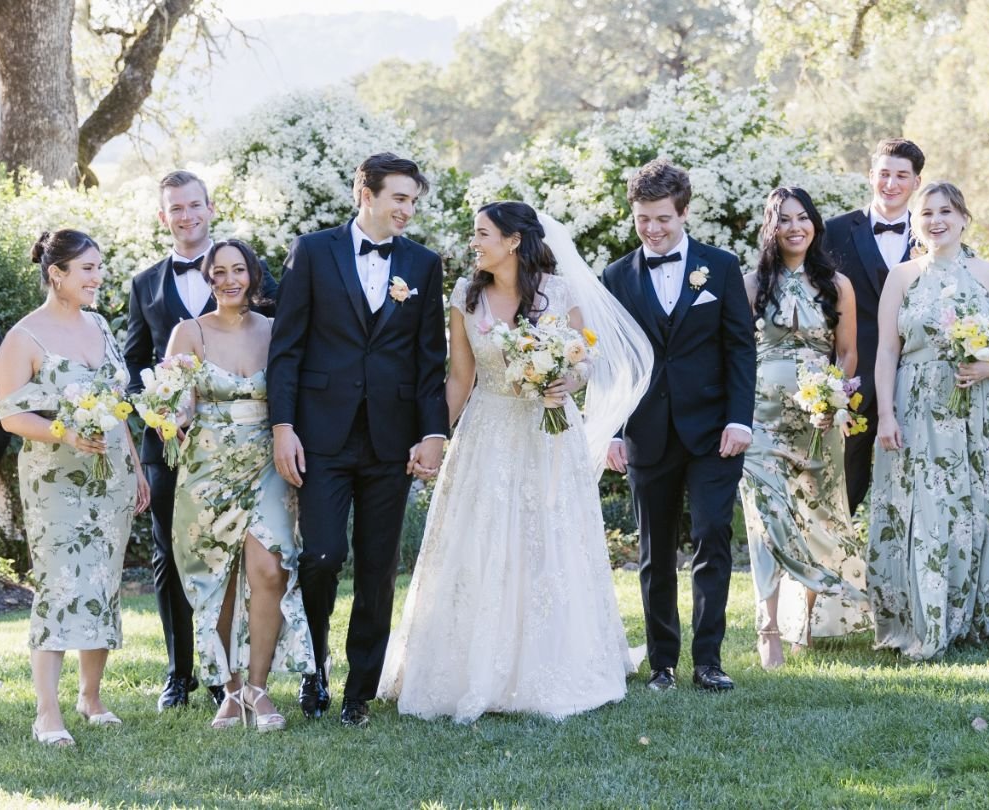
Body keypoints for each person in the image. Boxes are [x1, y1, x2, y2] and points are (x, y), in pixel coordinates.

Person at [381, 201, 649, 722]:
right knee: (480, 540)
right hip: (488, 431)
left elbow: (584, 361)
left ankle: (551, 666)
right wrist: (434, 436)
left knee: (548, 540)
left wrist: (564, 380)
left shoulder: (560, 292)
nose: (474, 242)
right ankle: (470, 667)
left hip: (550, 434)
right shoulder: (466, 294)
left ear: (513, 241)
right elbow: (460, 379)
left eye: (482, 233)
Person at [267, 152, 449, 727]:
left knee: (377, 567)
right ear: (365, 194)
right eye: (399, 198)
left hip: (391, 440)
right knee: (321, 557)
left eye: (413, 201)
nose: (407, 210)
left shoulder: (423, 264)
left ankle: (359, 693)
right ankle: (314, 668)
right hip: (320, 435)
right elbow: (286, 348)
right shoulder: (312, 251)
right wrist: (282, 427)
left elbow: (429, 360)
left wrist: (433, 432)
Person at [123, 171, 279, 710]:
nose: (186, 215)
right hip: (177, 446)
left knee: (259, 561)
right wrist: (164, 411)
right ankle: (181, 672)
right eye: (176, 208)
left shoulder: (251, 276)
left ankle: (238, 681)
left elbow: (284, 357)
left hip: (255, 447)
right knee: (176, 557)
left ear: (209, 209)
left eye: (194, 205)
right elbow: (136, 363)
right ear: (163, 217)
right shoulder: (145, 284)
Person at [602, 159, 755, 693]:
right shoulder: (615, 277)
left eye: (663, 218)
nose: (652, 229)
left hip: (714, 431)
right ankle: (662, 664)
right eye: (643, 219)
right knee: (655, 551)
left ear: (684, 212)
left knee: (712, 536)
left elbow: (740, 348)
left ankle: (708, 661)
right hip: (646, 432)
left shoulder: (722, 267)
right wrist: (612, 431)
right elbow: (614, 361)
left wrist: (739, 419)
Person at [0, 229, 149, 746]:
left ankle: (91, 697)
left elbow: (117, 406)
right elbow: (10, 415)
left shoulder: (100, 325)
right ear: (56, 274)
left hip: (113, 475)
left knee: (103, 581)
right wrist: (64, 432)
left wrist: (135, 465)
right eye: (87, 269)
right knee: (60, 584)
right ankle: (46, 712)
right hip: (56, 480)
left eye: (99, 267)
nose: (97, 277)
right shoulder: (24, 338)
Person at [867, 182, 989, 661]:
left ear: (963, 218)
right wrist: (885, 414)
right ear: (915, 223)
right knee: (925, 508)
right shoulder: (902, 277)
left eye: (945, 212)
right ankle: (925, 617)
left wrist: (988, 367)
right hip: (916, 407)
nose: (936, 221)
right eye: (926, 213)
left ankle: (981, 616)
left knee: (978, 506)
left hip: (978, 406)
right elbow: (887, 351)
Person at [158, 240, 313, 732]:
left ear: (253, 275)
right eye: (219, 272)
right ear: (208, 279)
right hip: (208, 471)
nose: (229, 280)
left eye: (238, 270)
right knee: (219, 577)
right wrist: (170, 417)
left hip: (266, 463)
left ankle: (258, 688)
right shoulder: (189, 332)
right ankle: (230, 690)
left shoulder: (274, 329)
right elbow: (176, 405)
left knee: (270, 569)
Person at [737, 187, 869, 670]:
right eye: (784, 220)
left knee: (815, 520)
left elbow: (847, 353)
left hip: (817, 422)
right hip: (761, 420)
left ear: (815, 224)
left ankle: (803, 627)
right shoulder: (752, 284)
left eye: (802, 218)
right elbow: (737, 353)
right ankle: (768, 626)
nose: (795, 228)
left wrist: (835, 397)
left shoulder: (838, 285)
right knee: (767, 519)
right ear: (771, 229)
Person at [822, 139, 924, 514]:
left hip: (916, 380)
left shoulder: (933, 232)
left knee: (914, 485)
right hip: (853, 379)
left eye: (902, 176)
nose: (891, 184)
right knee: (845, 486)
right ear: (870, 176)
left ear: (916, 182)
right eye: (884, 174)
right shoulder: (833, 232)